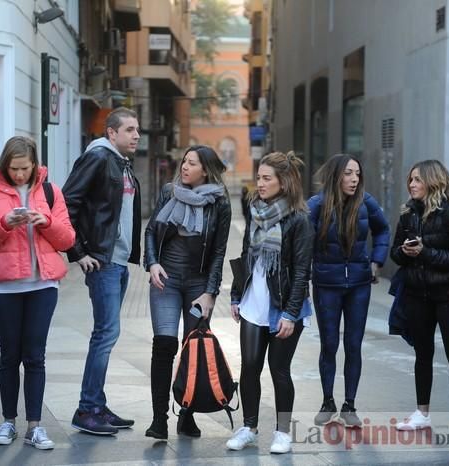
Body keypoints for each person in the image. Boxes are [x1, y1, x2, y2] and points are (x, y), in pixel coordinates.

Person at [0, 136, 76, 450]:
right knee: (9, 355)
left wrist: (46, 222)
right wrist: (3, 223)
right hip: (2, 288)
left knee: (35, 356)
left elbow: (67, 239)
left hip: (42, 286)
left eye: (24, 169)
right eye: (13, 168)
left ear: (33, 165)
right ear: (5, 164)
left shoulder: (51, 192)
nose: (18, 174)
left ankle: (35, 427)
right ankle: (7, 422)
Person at [226, 151, 314, 454]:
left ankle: (282, 432)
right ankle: (249, 427)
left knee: (279, 369)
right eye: (259, 177)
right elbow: (247, 253)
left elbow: (302, 270)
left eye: (266, 178)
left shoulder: (299, 220)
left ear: (284, 182)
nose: (259, 184)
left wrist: (290, 314)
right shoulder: (255, 210)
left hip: (283, 306)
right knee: (249, 366)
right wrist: (236, 295)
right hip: (253, 301)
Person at [62, 107, 142, 435]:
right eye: (130, 130)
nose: (137, 135)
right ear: (111, 133)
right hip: (103, 260)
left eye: (138, 130)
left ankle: (97, 403)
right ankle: (87, 409)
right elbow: (66, 204)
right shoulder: (97, 158)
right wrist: (78, 252)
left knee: (107, 333)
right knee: (106, 333)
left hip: (118, 261)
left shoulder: (120, 163)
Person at [143, 145, 231, 440]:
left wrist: (210, 293)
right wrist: (152, 263)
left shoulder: (219, 202)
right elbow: (152, 231)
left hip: (198, 283)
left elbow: (219, 251)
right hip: (166, 279)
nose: (184, 166)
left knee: (193, 347)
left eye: (191, 163)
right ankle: (159, 420)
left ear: (205, 170)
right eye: (184, 161)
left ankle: (187, 415)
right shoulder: (169, 192)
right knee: (165, 343)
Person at [390, 159, 449, 442]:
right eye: (410, 180)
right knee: (422, 356)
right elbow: (395, 255)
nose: (412, 184)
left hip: (447, 296)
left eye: (417, 179)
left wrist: (425, 253)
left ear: (433, 181)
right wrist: (405, 251)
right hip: (417, 295)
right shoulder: (407, 215)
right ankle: (422, 414)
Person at [307, 154, 390, 427]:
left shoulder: (366, 202)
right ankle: (327, 401)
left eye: (357, 173)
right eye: (348, 173)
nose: (354, 179)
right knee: (329, 344)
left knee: (353, 345)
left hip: (358, 285)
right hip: (326, 284)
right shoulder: (316, 205)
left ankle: (349, 405)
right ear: (336, 176)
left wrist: (377, 261)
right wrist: (307, 269)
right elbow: (302, 240)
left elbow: (383, 230)